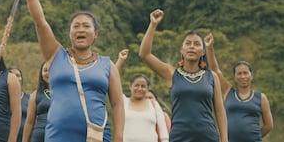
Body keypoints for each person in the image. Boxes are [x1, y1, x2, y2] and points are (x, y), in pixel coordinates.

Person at [18, 0, 124, 142]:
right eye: (76, 26)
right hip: (58, 136)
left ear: (96, 33)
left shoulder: (107, 65)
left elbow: (117, 103)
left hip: (95, 136)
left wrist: (119, 136)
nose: (80, 29)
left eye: (86, 26)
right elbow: (40, 22)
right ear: (69, 33)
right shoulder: (56, 56)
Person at [138, 9, 228, 142]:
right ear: (182, 49)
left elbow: (220, 111)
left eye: (197, 44)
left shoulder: (211, 76)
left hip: (207, 136)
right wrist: (153, 24)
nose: (192, 47)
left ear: (203, 51)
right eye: (188, 43)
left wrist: (224, 139)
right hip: (179, 137)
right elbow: (144, 54)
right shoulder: (172, 74)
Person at [205, 33, 273, 142]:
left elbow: (269, 125)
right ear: (235, 77)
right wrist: (209, 48)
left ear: (251, 75)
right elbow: (215, 70)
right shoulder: (228, 91)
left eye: (246, 73)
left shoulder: (261, 97)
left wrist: (254, 136)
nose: (243, 76)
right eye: (239, 74)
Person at [115, 49, 168, 142]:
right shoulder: (123, 102)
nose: (139, 89)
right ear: (130, 86)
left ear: (147, 89)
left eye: (143, 86)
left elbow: (163, 133)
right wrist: (120, 60)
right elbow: (113, 82)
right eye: (136, 85)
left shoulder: (154, 105)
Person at [22, 62, 50, 142]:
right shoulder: (35, 95)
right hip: (39, 136)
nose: (48, 73)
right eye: (45, 70)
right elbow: (29, 122)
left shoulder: (64, 92)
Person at [8, 67, 31, 142]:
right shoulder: (1, 99)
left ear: (21, 79)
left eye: (18, 75)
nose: (15, 78)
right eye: (11, 75)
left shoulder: (30, 99)